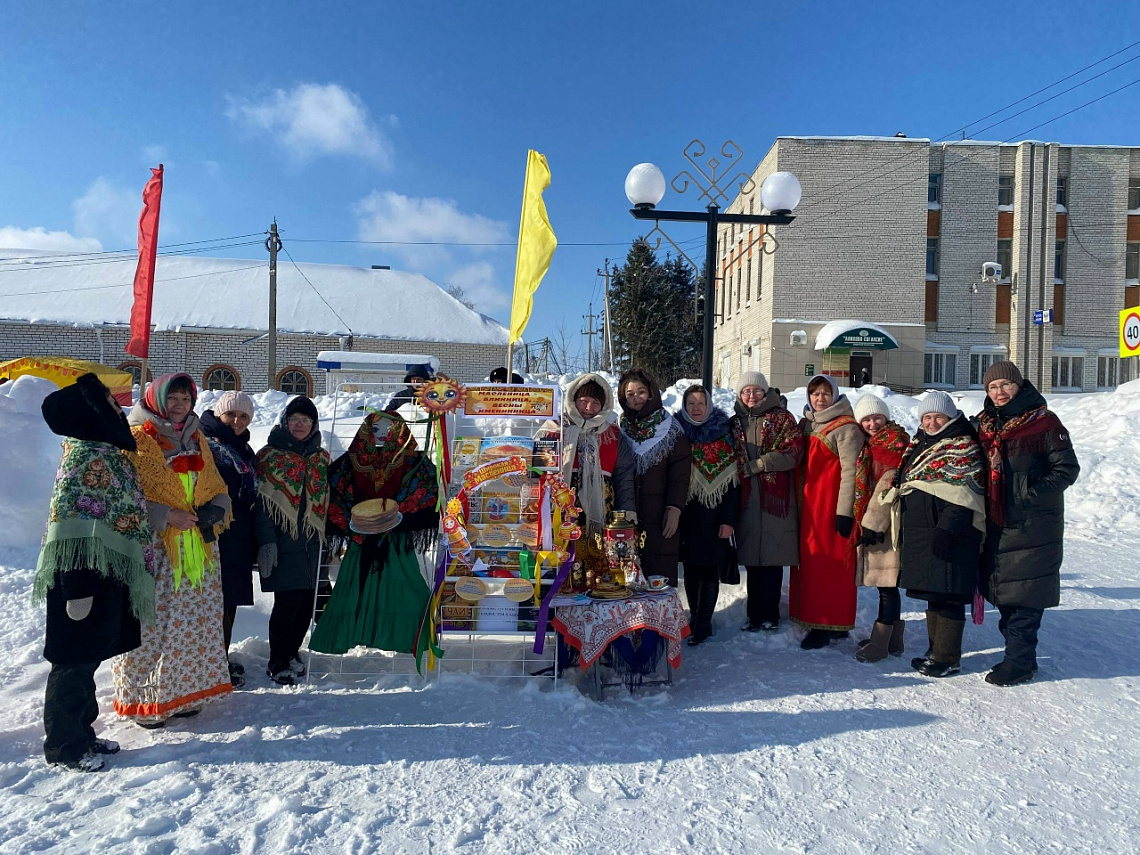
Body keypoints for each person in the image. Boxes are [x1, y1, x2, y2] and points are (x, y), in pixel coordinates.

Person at [35, 373, 156, 772]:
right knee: (71, 662)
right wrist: (76, 587)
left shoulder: (104, 452)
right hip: (80, 578)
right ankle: (65, 747)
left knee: (87, 659)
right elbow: (70, 528)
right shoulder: (85, 457)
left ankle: (83, 733)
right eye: (105, 399)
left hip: (102, 572)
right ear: (87, 412)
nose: (114, 405)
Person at [114, 373, 233, 728]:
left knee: (192, 623)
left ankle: (184, 693)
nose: (179, 405)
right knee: (154, 625)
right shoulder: (135, 440)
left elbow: (216, 484)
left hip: (198, 547)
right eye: (173, 398)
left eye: (186, 399)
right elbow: (123, 497)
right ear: (155, 399)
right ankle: (147, 699)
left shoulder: (198, 439)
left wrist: (218, 506)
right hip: (155, 548)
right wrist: (166, 515)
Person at [309, 410, 440, 664]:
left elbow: (428, 486)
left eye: (389, 429)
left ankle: (405, 637)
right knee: (353, 589)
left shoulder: (412, 458)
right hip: (361, 537)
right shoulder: (352, 459)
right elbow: (335, 487)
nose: (383, 434)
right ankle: (348, 635)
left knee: (404, 586)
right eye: (377, 429)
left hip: (397, 539)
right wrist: (355, 519)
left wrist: (399, 515)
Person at [977, 361, 1079, 686]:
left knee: (1025, 596)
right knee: (1005, 594)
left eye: (1005, 385)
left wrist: (1027, 493)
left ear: (1019, 386)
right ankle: (1018, 656)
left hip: (1032, 523)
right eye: (993, 387)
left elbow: (1066, 469)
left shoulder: (1044, 423)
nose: (999, 392)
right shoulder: (985, 425)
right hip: (996, 522)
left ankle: (1020, 663)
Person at [891, 391, 986, 677]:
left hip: (951, 533)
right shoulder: (922, 443)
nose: (932, 422)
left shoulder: (962, 446)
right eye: (927, 417)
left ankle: (947, 658)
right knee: (935, 593)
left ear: (950, 417)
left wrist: (946, 529)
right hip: (924, 529)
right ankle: (935, 651)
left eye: (938, 417)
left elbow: (964, 494)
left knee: (950, 595)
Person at [254, 396, 330, 685]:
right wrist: (266, 542)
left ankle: (292, 651)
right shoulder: (269, 456)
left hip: (313, 543)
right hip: (283, 542)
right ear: (285, 422)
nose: (300, 425)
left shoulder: (320, 458)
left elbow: (327, 499)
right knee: (286, 604)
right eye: (295, 420)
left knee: (306, 603)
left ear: (313, 425)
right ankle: (278, 661)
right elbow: (261, 504)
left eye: (306, 420)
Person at [793, 375, 866, 649]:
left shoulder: (846, 428)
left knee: (830, 568)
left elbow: (851, 471)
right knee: (812, 563)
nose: (820, 398)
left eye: (825, 393)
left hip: (830, 506)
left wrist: (845, 511)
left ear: (834, 394)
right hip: (809, 506)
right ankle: (813, 617)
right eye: (815, 393)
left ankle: (827, 623)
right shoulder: (807, 424)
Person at [732, 372, 803, 633]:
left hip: (776, 498)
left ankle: (770, 614)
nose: (751, 396)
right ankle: (754, 615)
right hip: (747, 497)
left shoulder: (783, 418)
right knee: (753, 559)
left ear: (765, 392)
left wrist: (762, 464)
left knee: (772, 558)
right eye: (746, 391)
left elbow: (794, 451)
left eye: (756, 391)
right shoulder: (734, 423)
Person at [200, 390, 258, 689]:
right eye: (230, 414)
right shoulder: (204, 443)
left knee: (228, 601)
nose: (237, 420)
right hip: (210, 535)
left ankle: (218, 659)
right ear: (218, 414)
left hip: (236, 536)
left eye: (244, 416)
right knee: (209, 601)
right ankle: (207, 666)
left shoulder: (242, 449)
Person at [552, 373, 636, 581]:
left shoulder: (614, 436)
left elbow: (624, 478)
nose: (588, 408)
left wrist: (626, 516)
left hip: (602, 512)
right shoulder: (555, 431)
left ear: (604, 405)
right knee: (564, 563)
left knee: (598, 566)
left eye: (595, 403)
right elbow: (538, 469)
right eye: (584, 401)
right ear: (573, 400)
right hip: (562, 512)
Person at [676, 385, 739, 645]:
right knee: (691, 568)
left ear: (709, 405)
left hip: (713, 514)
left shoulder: (723, 436)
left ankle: (703, 623)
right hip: (686, 512)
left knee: (709, 569)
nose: (696, 408)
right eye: (691, 403)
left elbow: (733, 483)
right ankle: (694, 618)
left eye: (701, 403)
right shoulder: (677, 434)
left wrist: (728, 520)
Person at [850, 394, 911, 662]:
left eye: (876, 417)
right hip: (877, 521)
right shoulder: (872, 444)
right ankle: (892, 640)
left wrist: (873, 523)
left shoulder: (895, 444)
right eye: (866, 419)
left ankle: (880, 643)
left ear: (885, 417)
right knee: (886, 584)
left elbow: (889, 484)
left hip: (887, 523)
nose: (872, 423)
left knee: (887, 584)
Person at [617, 369, 691, 586]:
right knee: (625, 576)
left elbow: (680, 475)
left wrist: (675, 507)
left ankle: (661, 621)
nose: (636, 398)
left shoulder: (669, 429)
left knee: (658, 578)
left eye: (641, 392)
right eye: (630, 394)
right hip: (626, 516)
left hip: (660, 517)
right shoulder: (619, 428)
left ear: (651, 393)